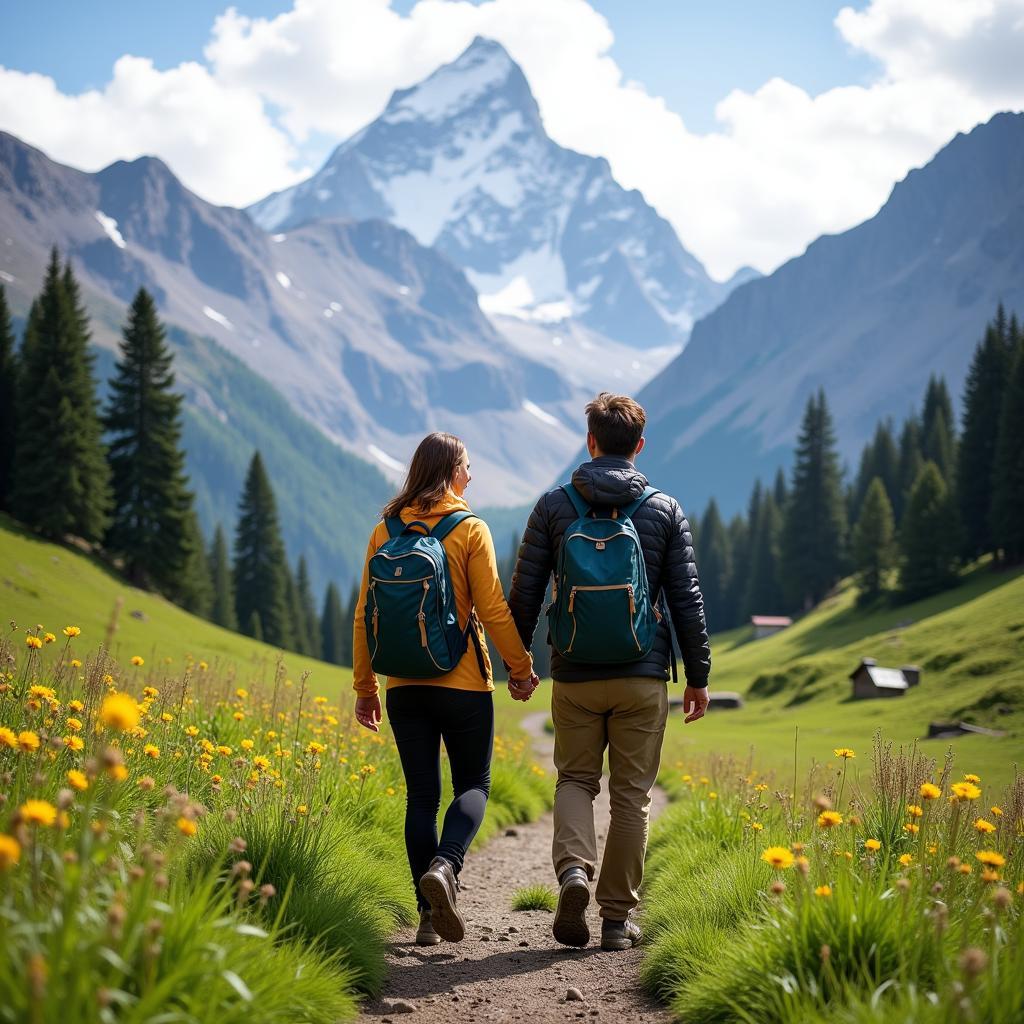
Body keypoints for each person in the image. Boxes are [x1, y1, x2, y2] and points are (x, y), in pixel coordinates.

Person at [508, 393, 711, 951]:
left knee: (574, 779)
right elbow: (686, 599)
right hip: (642, 673)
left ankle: (574, 871)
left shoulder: (553, 506)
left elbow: (524, 594)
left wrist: (521, 666)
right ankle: (616, 920)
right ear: (638, 447)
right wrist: (698, 676)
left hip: (573, 672)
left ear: (590, 441)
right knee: (632, 795)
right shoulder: (664, 509)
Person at [353, 431, 540, 946]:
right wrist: (520, 668)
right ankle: (446, 866)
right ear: (452, 472)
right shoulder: (469, 529)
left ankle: (427, 920)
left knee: (420, 796)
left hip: (403, 687)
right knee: (474, 786)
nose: (472, 476)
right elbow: (494, 609)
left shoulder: (385, 530)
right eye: (467, 467)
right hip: (462, 684)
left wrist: (366, 687)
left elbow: (364, 615)